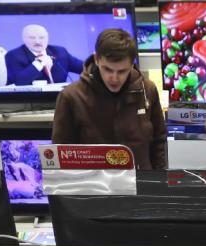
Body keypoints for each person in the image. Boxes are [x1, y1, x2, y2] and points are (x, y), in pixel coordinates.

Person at [52, 28, 167, 170]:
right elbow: (61, 156)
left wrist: (160, 185)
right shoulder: (71, 97)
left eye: (122, 71)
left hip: (142, 184)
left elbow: (159, 142)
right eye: (107, 69)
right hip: (94, 188)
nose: (114, 78)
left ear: (132, 65)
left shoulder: (147, 90)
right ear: (96, 59)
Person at [4, 24, 85, 87]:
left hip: (60, 98)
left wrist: (95, 60)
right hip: (30, 103)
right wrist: (39, 63)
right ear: (24, 39)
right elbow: (17, 82)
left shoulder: (60, 52)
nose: (38, 41)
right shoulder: (13, 55)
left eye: (42, 38)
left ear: (47, 38)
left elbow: (84, 67)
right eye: (32, 38)